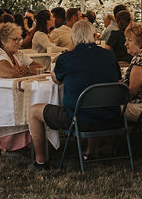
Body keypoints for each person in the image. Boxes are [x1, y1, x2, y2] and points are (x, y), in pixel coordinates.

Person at [27, 20, 120, 168]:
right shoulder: (109, 55)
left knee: (33, 111)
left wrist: (69, 51)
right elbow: (117, 79)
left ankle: (40, 161)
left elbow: (56, 80)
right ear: (94, 36)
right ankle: (91, 151)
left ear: (73, 38)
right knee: (92, 102)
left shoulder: (67, 58)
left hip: (79, 120)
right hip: (112, 117)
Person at [0, 23, 43, 154]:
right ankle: (9, 145)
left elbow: (39, 67)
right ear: (3, 40)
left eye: (19, 39)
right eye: (15, 39)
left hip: (9, 93)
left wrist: (23, 69)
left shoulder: (17, 54)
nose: (19, 42)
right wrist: (26, 70)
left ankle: (28, 143)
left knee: (31, 101)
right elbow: (6, 72)